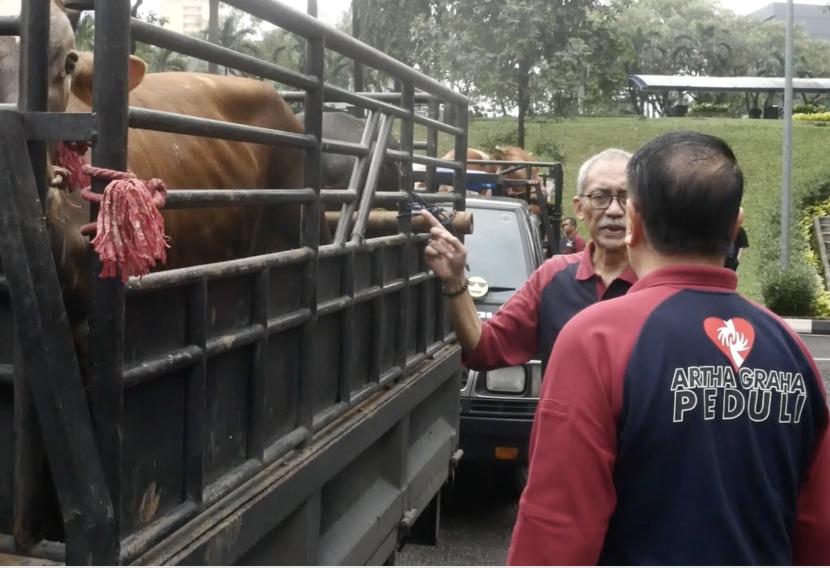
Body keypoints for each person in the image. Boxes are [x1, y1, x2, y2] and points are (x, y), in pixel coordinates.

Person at [508, 131, 830, 565]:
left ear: (634, 222)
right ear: (736, 226)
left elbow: (558, 527)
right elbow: (817, 527)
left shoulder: (596, 339)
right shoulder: (791, 349)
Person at [422, 148, 635, 373]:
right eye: (600, 197)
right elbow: (486, 348)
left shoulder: (662, 282)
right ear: (579, 208)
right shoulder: (554, 277)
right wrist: (455, 281)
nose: (613, 210)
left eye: (626, 197)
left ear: (642, 207)